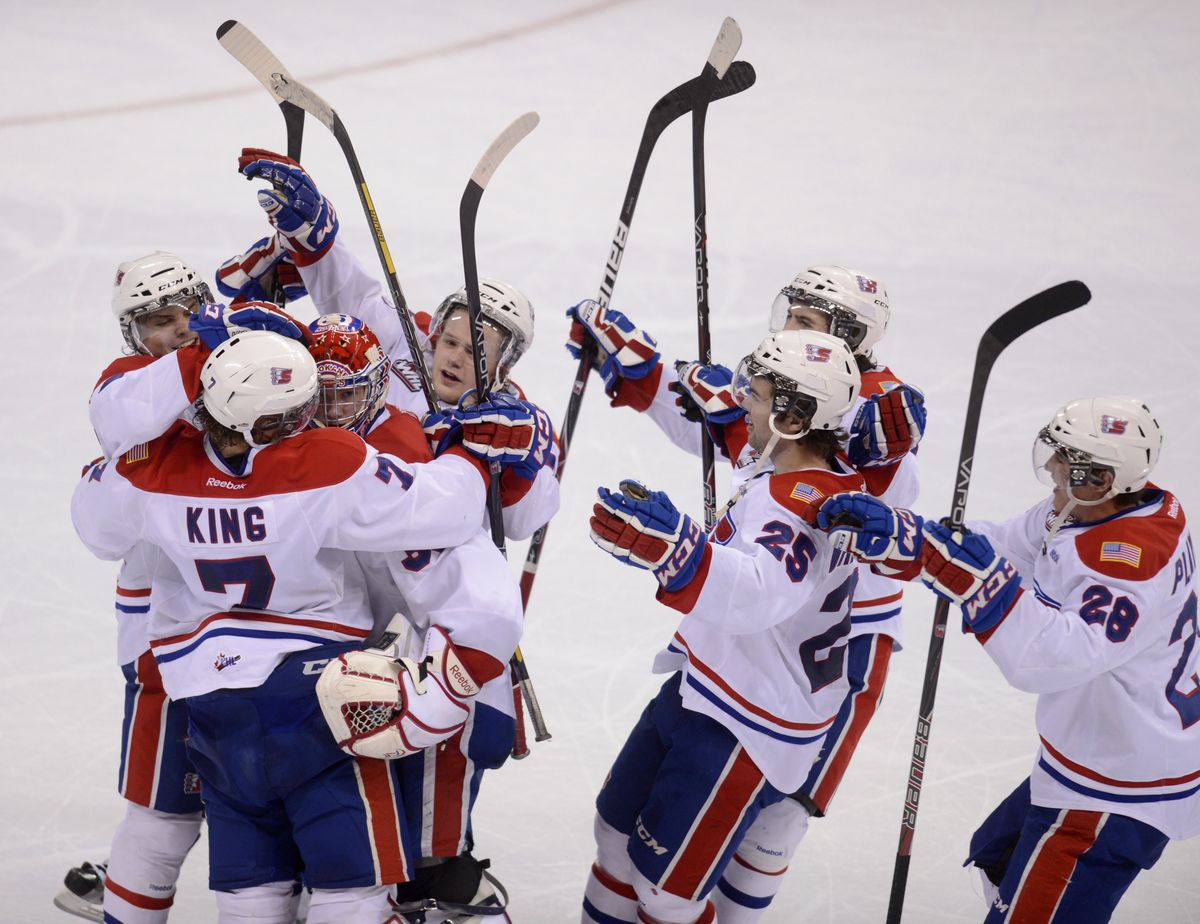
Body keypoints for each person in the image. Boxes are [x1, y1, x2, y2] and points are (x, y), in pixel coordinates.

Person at [71, 330, 500, 924]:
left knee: (251, 897)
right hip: (317, 698)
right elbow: (447, 506)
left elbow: (94, 524)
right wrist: (470, 451)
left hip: (212, 707)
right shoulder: (325, 464)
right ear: (274, 424)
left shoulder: (154, 472)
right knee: (350, 892)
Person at [566, 265, 927, 920]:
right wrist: (650, 379)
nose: (788, 328)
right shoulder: (802, 417)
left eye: (806, 323)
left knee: (764, 832)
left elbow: (858, 526)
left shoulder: (870, 433)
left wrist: (677, 549)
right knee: (623, 841)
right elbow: (736, 434)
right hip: (728, 661)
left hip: (792, 674)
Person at [817, 395, 1200, 924]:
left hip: (1119, 787)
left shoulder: (1128, 564)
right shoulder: (1095, 505)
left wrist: (972, 582)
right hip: (1096, 753)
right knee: (999, 858)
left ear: (1100, 477)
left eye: (1064, 460)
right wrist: (914, 540)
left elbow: (1046, 658)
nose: (1050, 468)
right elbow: (1007, 549)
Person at [233, 147, 559, 540]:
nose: (454, 358)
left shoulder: (512, 419)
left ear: (503, 369)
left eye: (474, 353)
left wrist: (522, 468)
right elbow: (355, 297)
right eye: (451, 342)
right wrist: (312, 237)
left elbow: (522, 525)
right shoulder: (410, 342)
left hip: (422, 558)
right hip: (340, 519)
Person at [56, 251, 219, 924]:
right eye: (159, 322)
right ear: (134, 334)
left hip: (256, 629)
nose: (179, 331)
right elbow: (127, 421)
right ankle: (132, 878)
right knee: (165, 811)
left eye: (188, 314)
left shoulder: (231, 361)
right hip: (165, 640)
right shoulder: (127, 388)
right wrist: (210, 352)